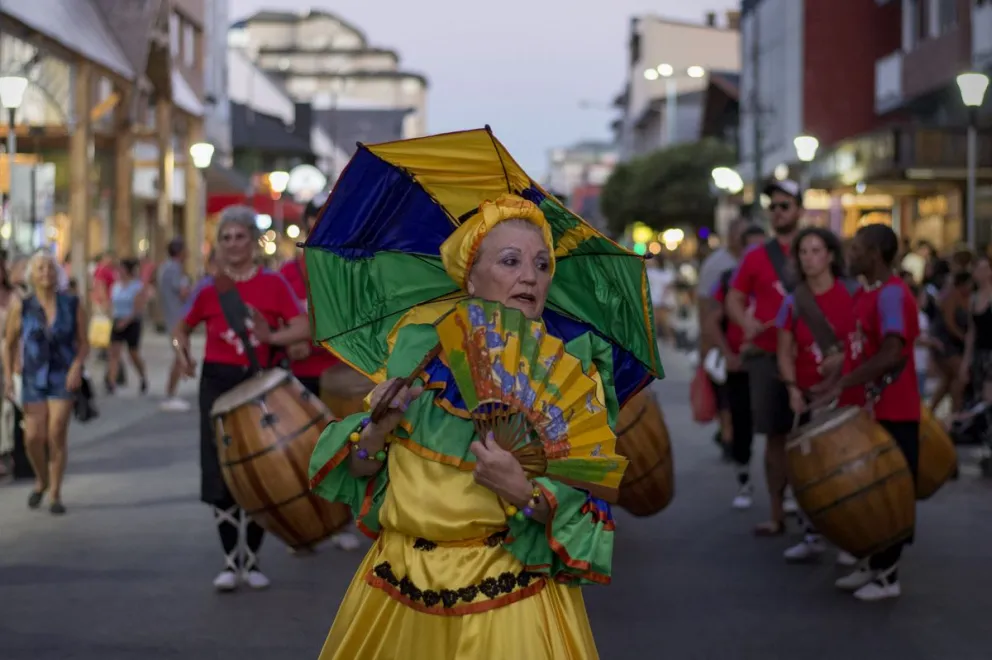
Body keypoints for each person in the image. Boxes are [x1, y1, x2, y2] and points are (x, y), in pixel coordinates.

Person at [310, 195, 618, 659]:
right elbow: (359, 471)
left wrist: (522, 490)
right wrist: (374, 435)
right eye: (510, 261)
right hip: (397, 589)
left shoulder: (569, 367)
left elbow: (592, 495)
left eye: (542, 264)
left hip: (507, 600)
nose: (530, 277)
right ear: (470, 276)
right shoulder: (418, 352)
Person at [173, 205, 311, 592]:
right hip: (216, 384)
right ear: (218, 245)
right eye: (226, 237)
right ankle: (230, 560)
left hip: (259, 382)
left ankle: (251, 561)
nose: (233, 244)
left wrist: (271, 339)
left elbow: (304, 326)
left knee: (259, 469)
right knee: (221, 471)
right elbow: (181, 328)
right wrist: (181, 353)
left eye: (240, 237)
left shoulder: (273, 285)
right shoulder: (208, 288)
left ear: (253, 242)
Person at [811, 223, 920, 601]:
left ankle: (889, 576)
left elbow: (892, 352)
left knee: (888, 492)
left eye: (856, 249)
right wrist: (835, 376)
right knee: (868, 489)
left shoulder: (891, 295)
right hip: (870, 409)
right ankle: (874, 565)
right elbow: (864, 349)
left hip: (894, 409)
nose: (849, 254)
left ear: (874, 255)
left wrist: (846, 381)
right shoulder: (867, 294)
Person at [774, 227, 863, 565]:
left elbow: (863, 341)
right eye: (804, 252)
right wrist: (793, 389)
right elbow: (784, 351)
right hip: (809, 395)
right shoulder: (792, 301)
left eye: (816, 250)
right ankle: (811, 534)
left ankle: (849, 535)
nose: (810, 258)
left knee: (847, 464)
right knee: (810, 469)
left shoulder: (852, 293)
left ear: (830, 255)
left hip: (846, 392)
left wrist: (841, 362)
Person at [279, 196, 361, 553]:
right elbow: (275, 321)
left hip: (337, 375)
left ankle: (338, 521)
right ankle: (303, 527)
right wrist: (288, 341)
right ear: (308, 223)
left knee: (339, 452)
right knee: (300, 455)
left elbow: (354, 323)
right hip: (299, 376)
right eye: (317, 220)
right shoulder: (286, 273)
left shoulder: (346, 271)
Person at [726, 180, 805, 535]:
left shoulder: (814, 249)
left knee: (810, 435)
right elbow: (734, 298)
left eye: (784, 206)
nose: (777, 212)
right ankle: (777, 512)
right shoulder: (755, 256)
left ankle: (814, 513)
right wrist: (747, 323)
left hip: (809, 356)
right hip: (767, 355)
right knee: (774, 434)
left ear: (799, 210)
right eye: (773, 206)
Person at [2, 250, 89, 514]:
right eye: (40, 268)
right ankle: (41, 479)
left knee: (56, 433)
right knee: (32, 437)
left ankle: (55, 494)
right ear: (32, 274)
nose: (46, 273)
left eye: (50, 268)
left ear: (57, 273)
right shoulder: (23, 306)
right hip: (32, 377)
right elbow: (9, 342)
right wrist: (8, 376)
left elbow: (84, 343)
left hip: (62, 375)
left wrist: (77, 367)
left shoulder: (72, 303)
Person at [701, 223, 766, 508]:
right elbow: (712, 320)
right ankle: (744, 481)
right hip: (739, 365)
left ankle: (787, 491)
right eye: (750, 247)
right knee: (741, 423)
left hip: (770, 363)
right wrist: (727, 353)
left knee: (781, 427)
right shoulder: (728, 279)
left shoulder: (781, 278)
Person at [698, 218, 755, 458]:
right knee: (724, 395)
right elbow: (705, 306)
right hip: (722, 341)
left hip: (746, 345)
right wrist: (708, 342)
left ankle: (732, 436)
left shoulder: (751, 262)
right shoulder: (718, 266)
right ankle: (728, 434)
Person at [157, 239, 192, 412]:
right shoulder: (173, 269)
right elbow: (184, 292)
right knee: (180, 357)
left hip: (173, 318)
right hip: (177, 320)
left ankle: (171, 393)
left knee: (181, 356)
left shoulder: (165, 268)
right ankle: (170, 394)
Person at [105, 258, 149, 395]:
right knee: (114, 352)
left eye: (122, 269)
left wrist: (126, 321)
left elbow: (138, 307)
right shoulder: (116, 286)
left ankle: (142, 377)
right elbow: (111, 303)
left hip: (132, 322)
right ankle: (111, 382)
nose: (119, 271)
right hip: (117, 320)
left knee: (133, 353)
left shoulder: (137, 286)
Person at [930, 271, 972, 413]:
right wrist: (963, 337)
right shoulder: (951, 296)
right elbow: (949, 323)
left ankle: (932, 411)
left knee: (948, 380)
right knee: (959, 373)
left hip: (958, 344)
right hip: (945, 341)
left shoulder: (970, 298)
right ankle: (955, 412)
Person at [960, 257, 992, 404]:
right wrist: (965, 362)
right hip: (979, 354)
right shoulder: (973, 299)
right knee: (978, 397)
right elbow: (971, 333)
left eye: (983, 269)